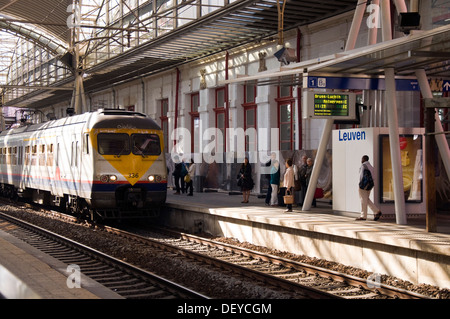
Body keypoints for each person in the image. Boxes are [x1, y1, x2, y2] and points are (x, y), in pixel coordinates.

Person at [357, 155, 382, 221]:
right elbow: (373, 177)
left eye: (362, 159)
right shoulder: (371, 167)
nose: (361, 160)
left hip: (363, 186)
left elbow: (361, 176)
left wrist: (360, 184)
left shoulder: (363, 166)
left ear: (364, 159)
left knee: (363, 200)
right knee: (366, 199)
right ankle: (377, 211)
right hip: (370, 185)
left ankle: (363, 216)